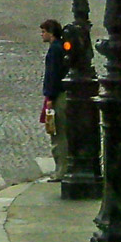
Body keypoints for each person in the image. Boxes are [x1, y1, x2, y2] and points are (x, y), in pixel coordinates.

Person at [40, 18, 68, 177]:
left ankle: (61, 170)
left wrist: (49, 97)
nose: (41, 35)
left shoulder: (54, 50)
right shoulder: (61, 47)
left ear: (51, 33)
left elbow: (52, 75)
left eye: (43, 31)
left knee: (58, 134)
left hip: (57, 96)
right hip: (62, 93)